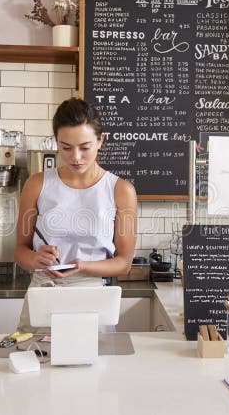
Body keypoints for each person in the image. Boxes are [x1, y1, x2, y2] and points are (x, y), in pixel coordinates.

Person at [14, 97, 137, 332]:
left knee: (92, 365)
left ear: (100, 140)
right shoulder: (36, 184)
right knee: (34, 362)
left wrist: (83, 265)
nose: (76, 157)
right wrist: (35, 259)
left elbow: (124, 263)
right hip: (43, 292)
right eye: (66, 148)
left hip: (91, 295)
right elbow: (20, 250)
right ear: (56, 143)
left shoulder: (121, 190)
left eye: (85, 147)